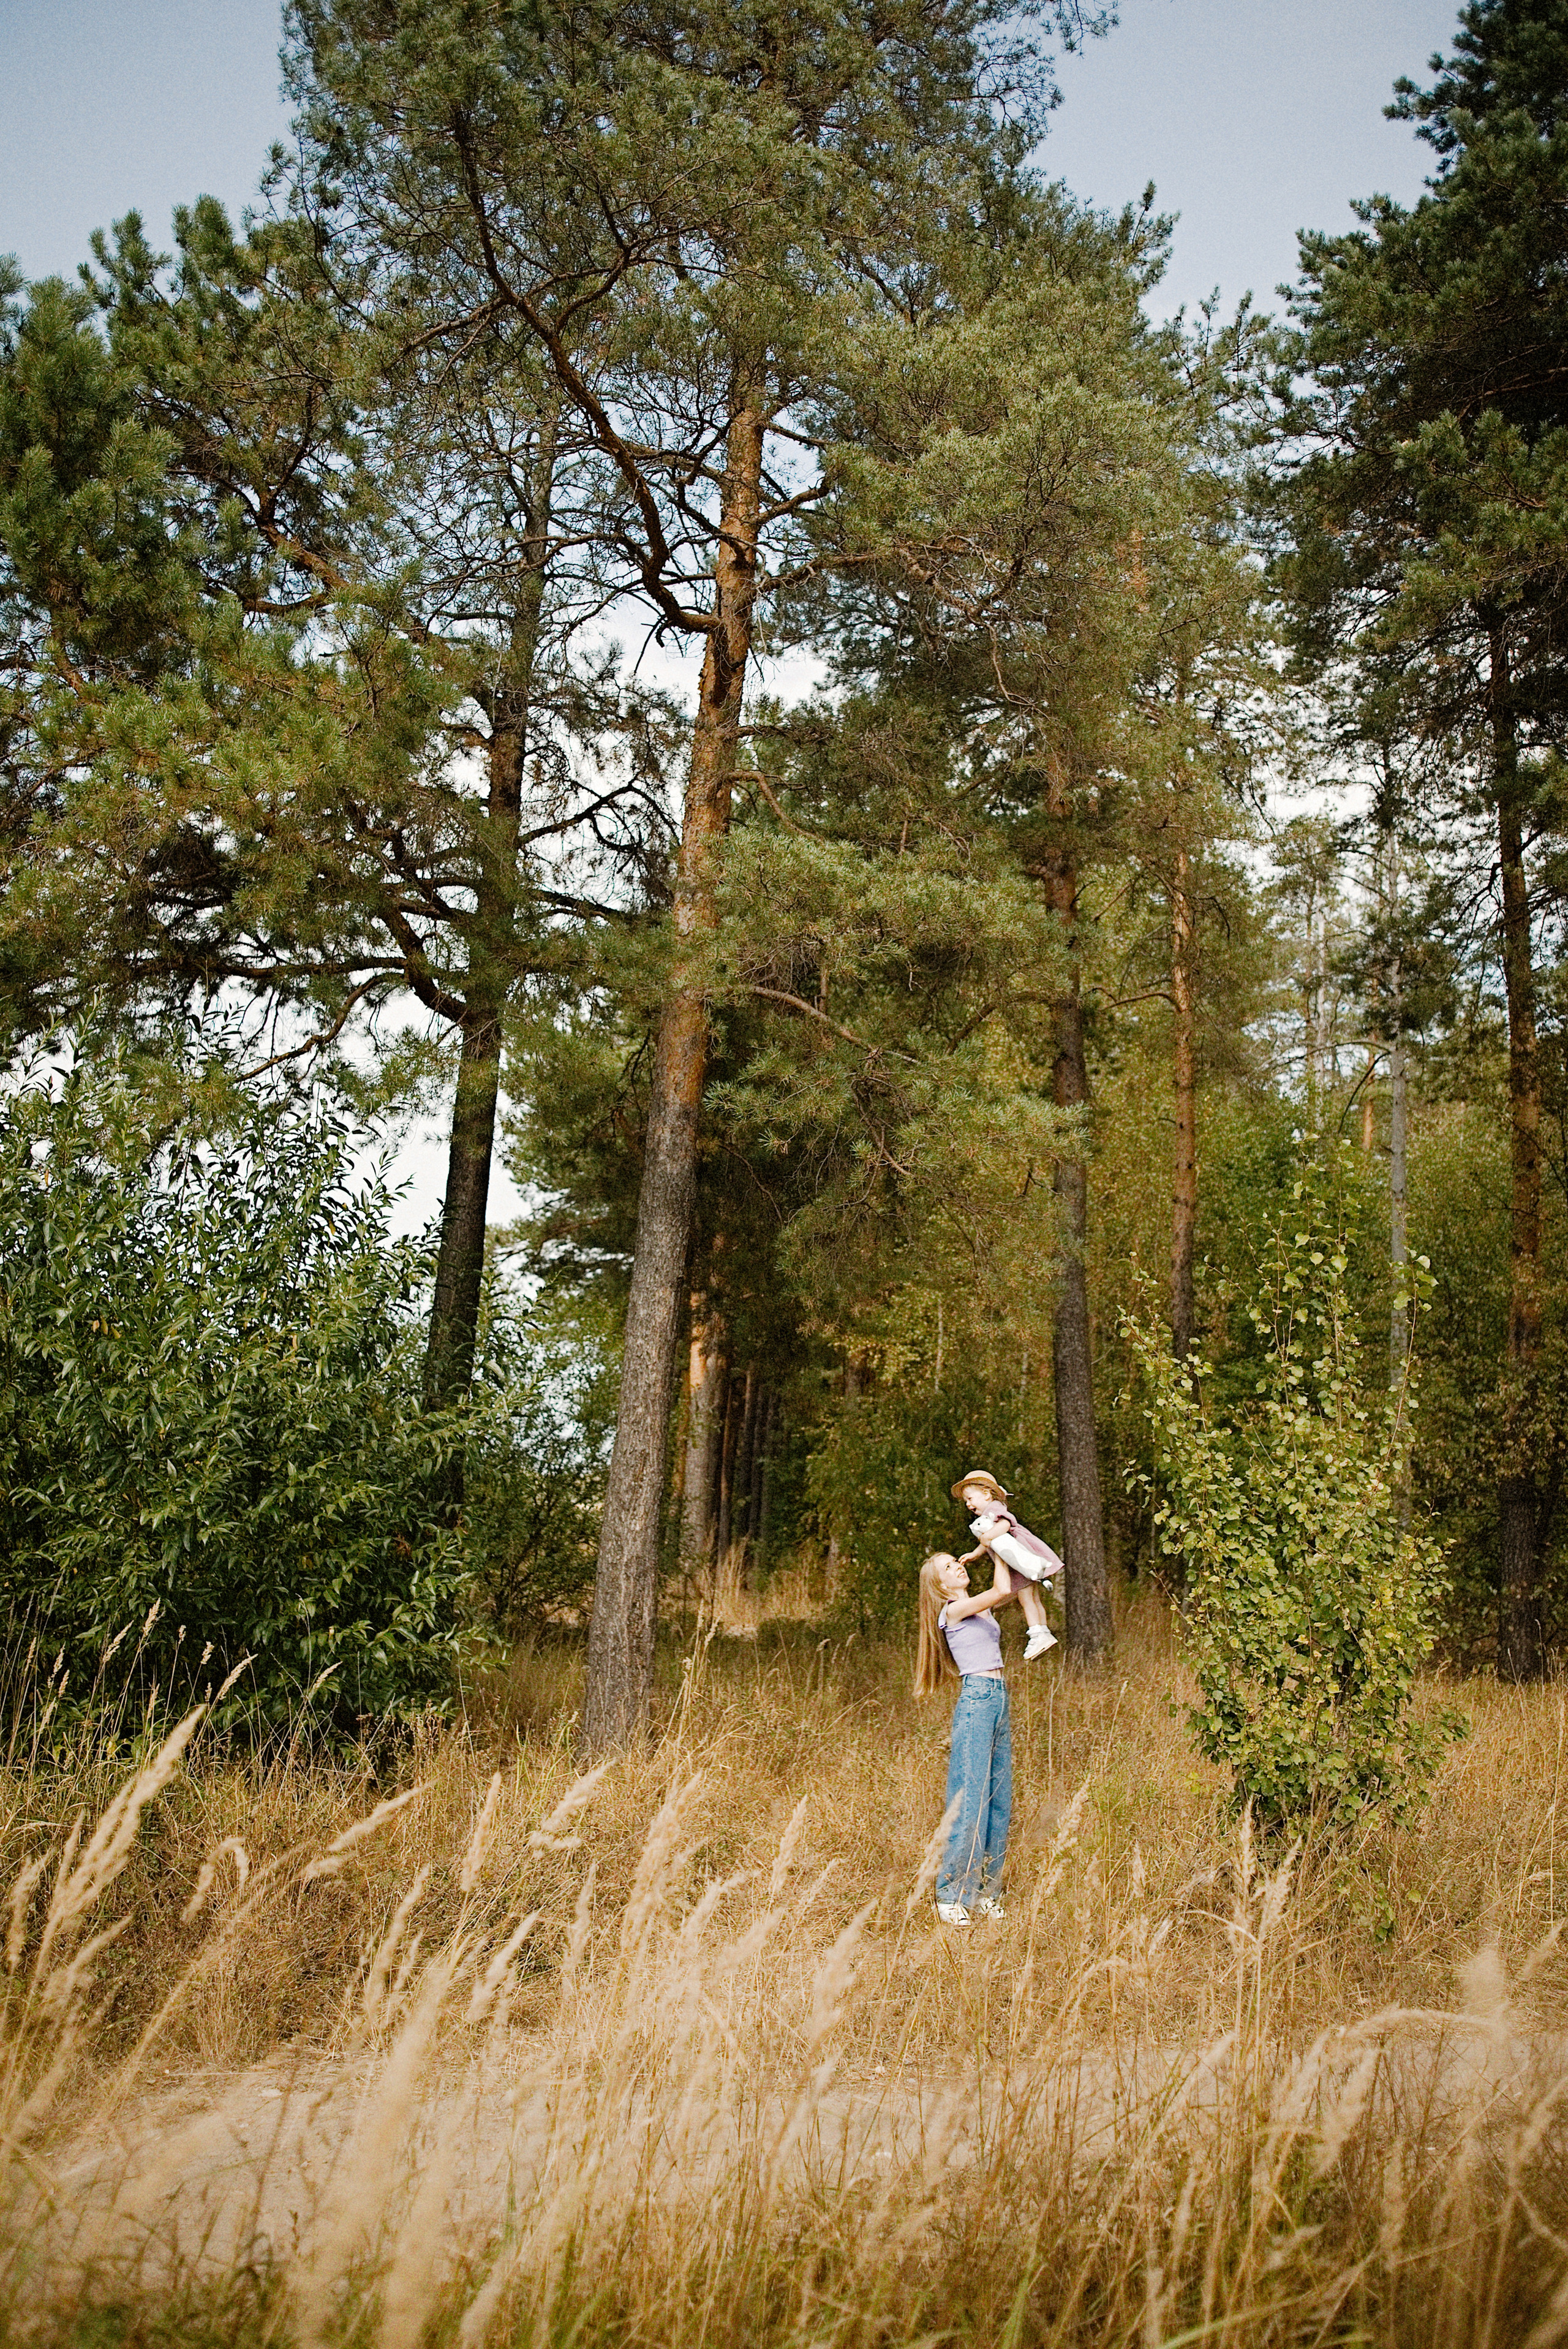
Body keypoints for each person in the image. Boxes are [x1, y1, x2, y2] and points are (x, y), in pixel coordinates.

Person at [914, 1550, 1016, 1926]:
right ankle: (952, 1895)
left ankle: (986, 1892)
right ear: (940, 1586)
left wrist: (1001, 1543)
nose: (957, 1565)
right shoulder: (952, 1612)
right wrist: (994, 1545)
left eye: (956, 1560)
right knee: (971, 1799)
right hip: (977, 1698)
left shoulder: (975, 1607)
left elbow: (1014, 1586)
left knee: (998, 1799)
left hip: (998, 1698)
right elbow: (1002, 1585)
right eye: (948, 1567)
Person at [952, 1470, 1063, 1661]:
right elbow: (986, 1542)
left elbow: (1004, 1525)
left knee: (1026, 1598)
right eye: (966, 1501)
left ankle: (1037, 1634)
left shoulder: (994, 1509)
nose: (968, 1504)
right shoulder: (990, 1512)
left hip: (1018, 1561)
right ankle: (1044, 1632)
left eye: (970, 1498)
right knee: (1035, 1598)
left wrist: (987, 1536)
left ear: (986, 1494)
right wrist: (974, 1554)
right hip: (1021, 1560)